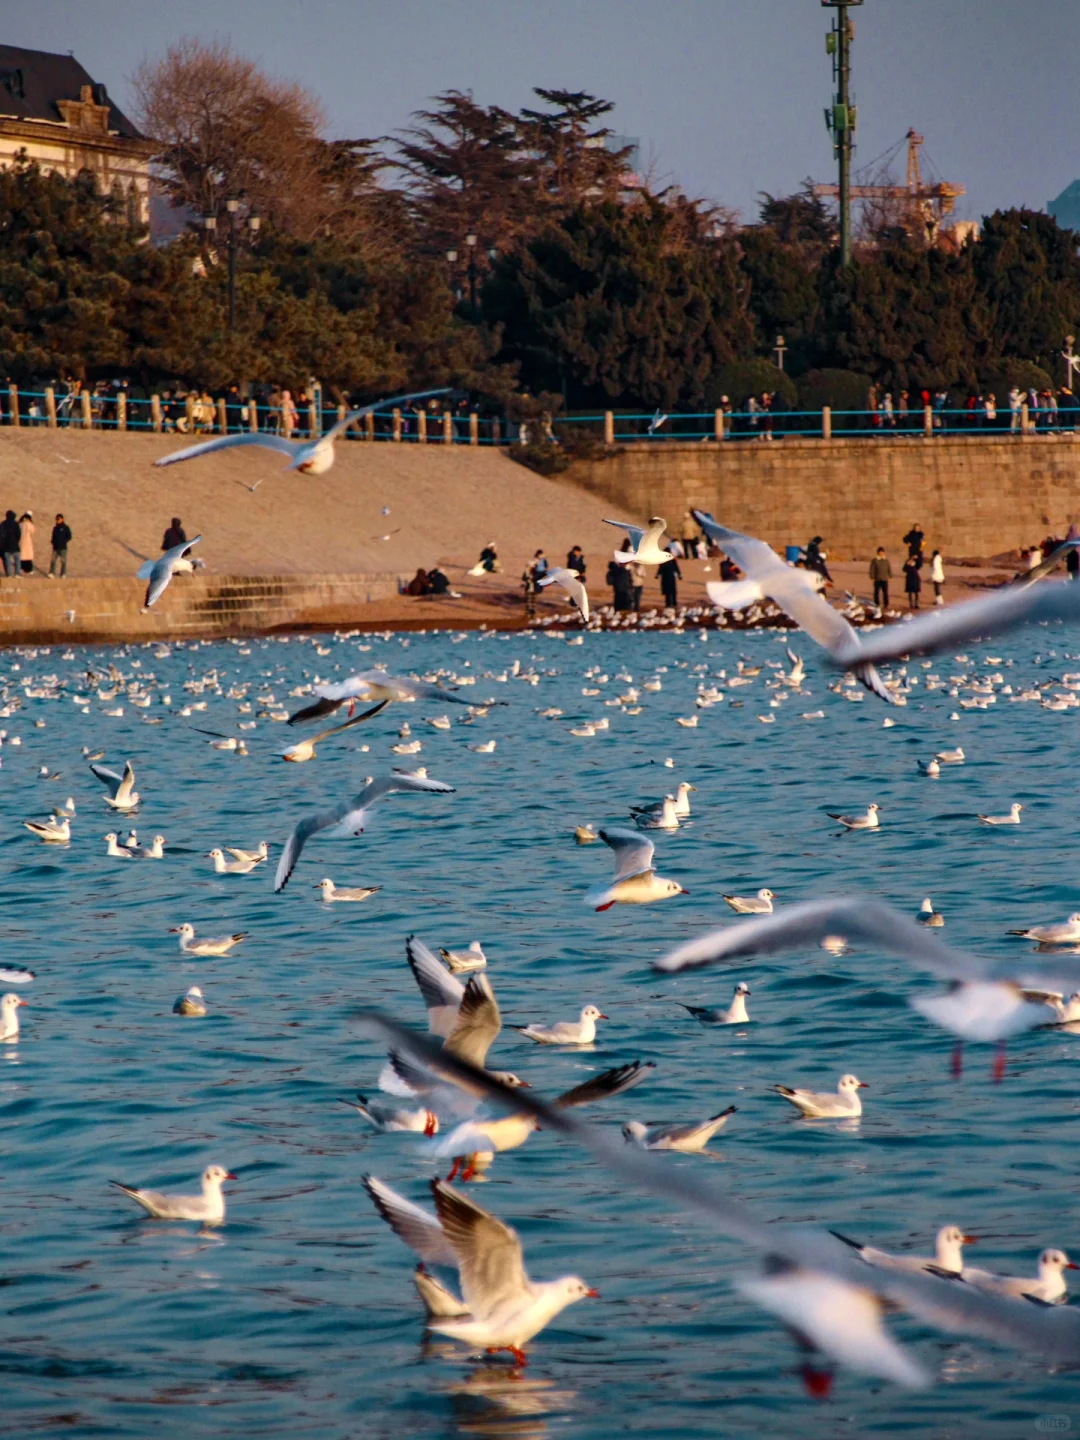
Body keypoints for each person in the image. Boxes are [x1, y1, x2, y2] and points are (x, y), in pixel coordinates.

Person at [607, 543, 633, 612]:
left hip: (621, 586)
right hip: (622, 587)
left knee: (621, 599)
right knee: (622, 599)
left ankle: (621, 610)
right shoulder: (622, 568)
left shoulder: (622, 567)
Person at [658, 547, 682, 611]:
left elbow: (661, 568)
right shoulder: (668, 559)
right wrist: (679, 575)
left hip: (667, 577)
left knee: (669, 591)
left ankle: (670, 604)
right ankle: (672, 603)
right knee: (671, 591)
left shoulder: (665, 559)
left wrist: (658, 574)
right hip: (669, 577)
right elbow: (676, 567)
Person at [0, 510, 20, 577]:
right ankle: (17, 573)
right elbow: (19, 534)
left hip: (6, 546)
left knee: (8, 561)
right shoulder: (16, 524)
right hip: (15, 545)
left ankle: (9, 574)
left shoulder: (3, 524)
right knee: (17, 560)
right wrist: (16, 541)